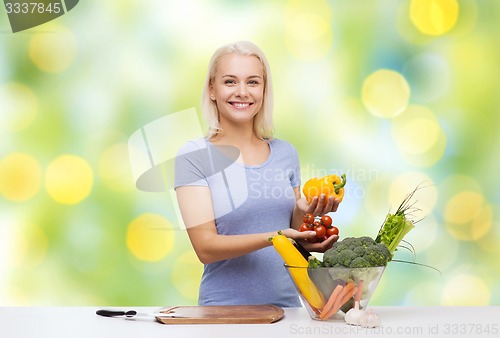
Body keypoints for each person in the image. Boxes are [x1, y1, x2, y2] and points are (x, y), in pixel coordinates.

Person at [174, 41, 340, 307]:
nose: (242, 92)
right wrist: (274, 237)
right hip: (225, 314)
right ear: (212, 89)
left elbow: (293, 240)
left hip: (288, 309)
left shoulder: (285, 153)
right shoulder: (194, 156)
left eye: (252, 82)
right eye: (230, 81)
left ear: (264, 90)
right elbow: (205, 248)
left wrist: (303, 213)